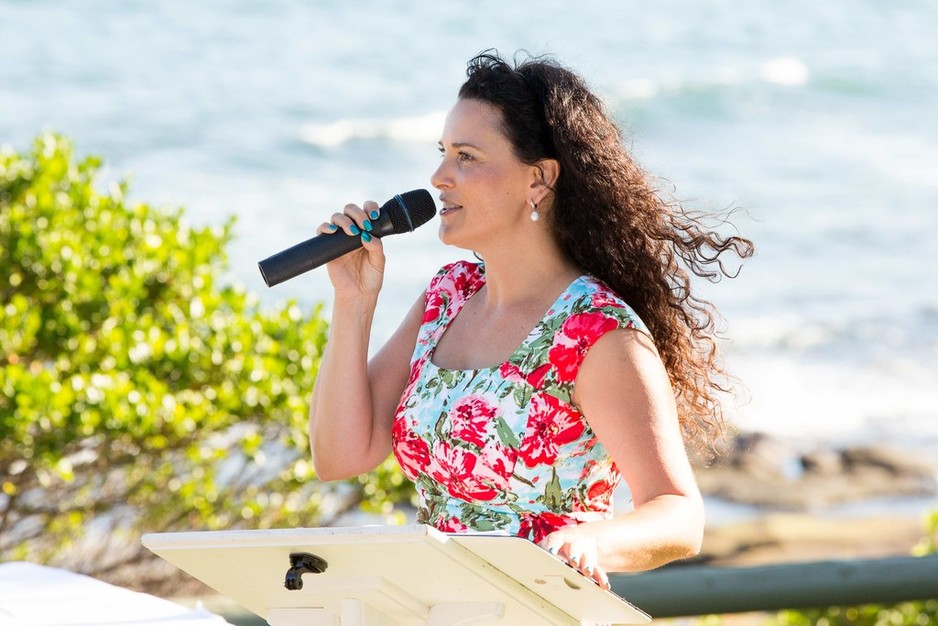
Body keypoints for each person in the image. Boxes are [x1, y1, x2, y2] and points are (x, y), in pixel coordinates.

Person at [308, 50, 754, 589]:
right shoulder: (447, 298)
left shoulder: (596, 333)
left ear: (539, 179)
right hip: (436, 608)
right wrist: (353, 302)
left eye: (466, 157)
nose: (439, 177)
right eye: (443, 153)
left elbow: (679, 514)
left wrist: (592, 541)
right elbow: (340, 455)